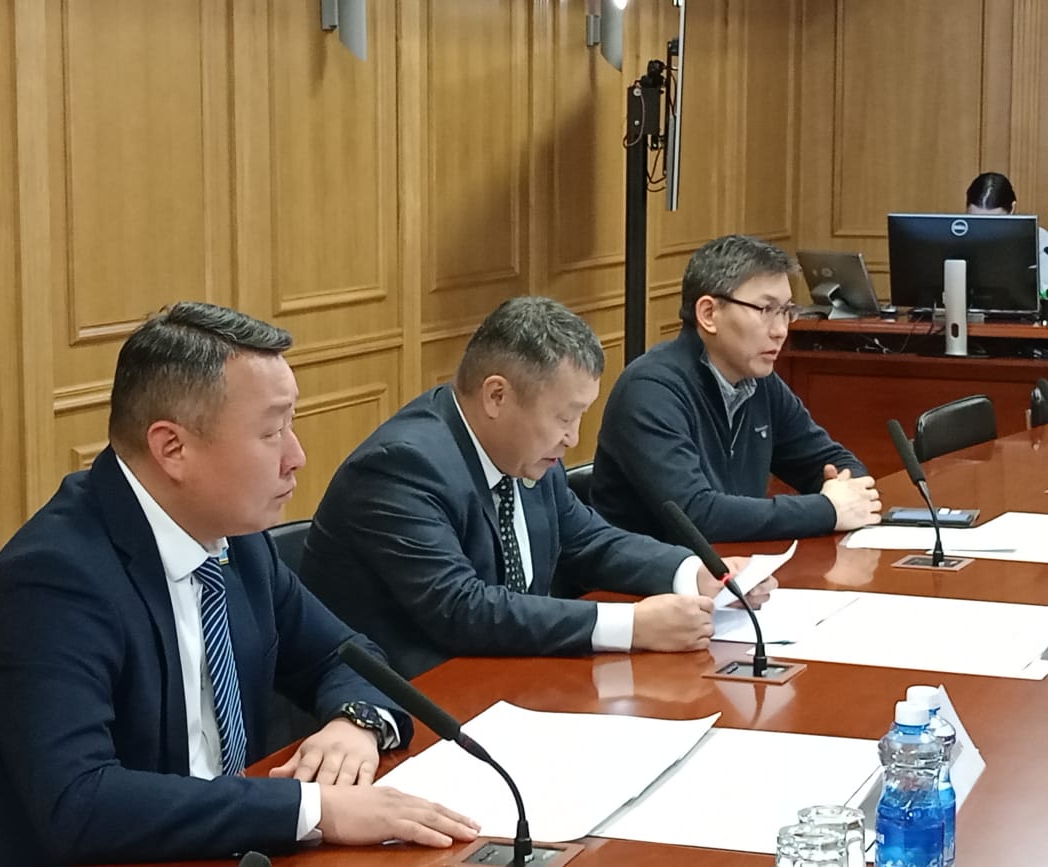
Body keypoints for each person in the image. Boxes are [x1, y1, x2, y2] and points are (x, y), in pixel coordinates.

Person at [0, 303, 478, 867]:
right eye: (271, 431)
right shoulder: (53, 583)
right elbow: (82, 803)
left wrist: (355, 724)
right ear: (172, 448)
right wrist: (314, 809)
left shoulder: (236, 542)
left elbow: (345, 657)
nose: (296, 457)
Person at [298, 296, 773, 680]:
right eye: (564, 417)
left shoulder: (520, 452)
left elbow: (589, 540)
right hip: (419, 709)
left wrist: (695, 572)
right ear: (497, 396)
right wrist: (631, 626)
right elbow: (462, 609)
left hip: (511, 680)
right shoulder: (402, 467)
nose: (573, 438)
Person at [591, 234, 881, 544]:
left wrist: (846, 491)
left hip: (738, 565)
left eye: (786, 310)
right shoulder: (650, 391)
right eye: (765, 309)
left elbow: (833, 462)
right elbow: (697, 516)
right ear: (708, 314)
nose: (781, 330)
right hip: (657, 572)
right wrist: (827, 509)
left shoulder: (760, 382)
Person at [965, 170, 1048, 297]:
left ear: (1012, 209)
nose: (986, 229)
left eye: (994, 222)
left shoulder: (1039, 241)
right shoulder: (955, 239)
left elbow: (1044, 291)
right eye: (976, 220)